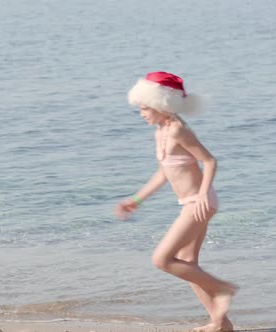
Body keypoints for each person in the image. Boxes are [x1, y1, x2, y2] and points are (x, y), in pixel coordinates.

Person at [114, 72, 237, 332]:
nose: (142, 114)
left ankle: (221, 288)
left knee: (161, 259)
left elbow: (210, 160)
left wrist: (203, 193)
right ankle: (220, 323)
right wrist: (136, 200)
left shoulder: (179, 130)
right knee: (187, 264)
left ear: (162, 105)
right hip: (190, 203)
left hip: (199, 202)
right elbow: (163, 173)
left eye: (145, 108)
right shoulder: (161, 131)